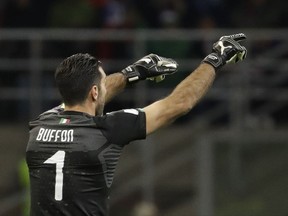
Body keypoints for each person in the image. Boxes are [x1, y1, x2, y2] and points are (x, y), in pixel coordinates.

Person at [26, 33, 247, 216]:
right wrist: (216, 58)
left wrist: (132, 73)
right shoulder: (108, 129)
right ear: (94, 92)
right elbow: (179, 103)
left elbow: (90, 96)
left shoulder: (40, 124)